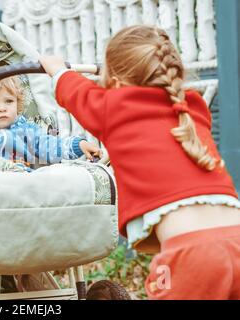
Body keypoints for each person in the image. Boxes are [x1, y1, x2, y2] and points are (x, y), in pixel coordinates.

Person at [40, 25, 240, 300]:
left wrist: (58, 70)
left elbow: (77, 93)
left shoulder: (114, 108)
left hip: (193, 253)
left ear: (117, 80)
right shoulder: (192, 109)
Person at [0, 66, 102, 171]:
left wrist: (78, 145)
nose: (2, 108)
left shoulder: (26, 130)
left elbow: (51, 146)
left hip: (21, 185)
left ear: (17, 104)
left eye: (9, 101)